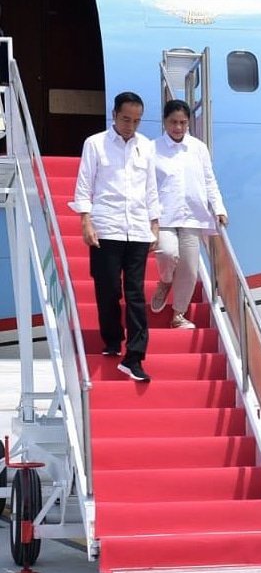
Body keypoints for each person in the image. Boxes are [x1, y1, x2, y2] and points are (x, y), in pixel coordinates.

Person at [71, 91, 159, 382]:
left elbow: (151, 188)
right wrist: (86, 221)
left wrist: (154, 225)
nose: (130, 125)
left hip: (136, 228)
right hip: (106, 227)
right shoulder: (95, 144)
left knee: (135, 293)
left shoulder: (146, 147)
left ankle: (135, 357)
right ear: (114, 115)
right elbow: (85, 184)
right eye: (125, 119)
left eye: (136, 120)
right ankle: (112, 338)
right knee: (107, 289)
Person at [151, 99, 228, 329]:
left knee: (189, 267)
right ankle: (165, 281)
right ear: (165, 122)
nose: (178, 127)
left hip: (193, 215)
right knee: (166, 252)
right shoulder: (152, 149)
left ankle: (178, 314)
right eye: (173, 122)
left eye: (183, 123)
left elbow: (209, 180)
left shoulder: (198, 148)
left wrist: (219, 208)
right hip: (164, 213)